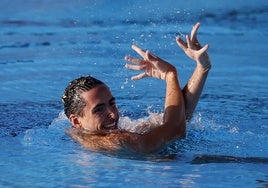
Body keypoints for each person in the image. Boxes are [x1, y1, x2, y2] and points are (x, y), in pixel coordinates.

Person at [61, 22, 211, 154]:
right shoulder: (114, 141)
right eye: (99, 109)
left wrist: (202, 68)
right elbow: (176, 130)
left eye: (112, 104)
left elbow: (180, 119)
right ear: (76, 121)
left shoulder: (98, 133)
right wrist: (170, 74)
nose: (113, 114)